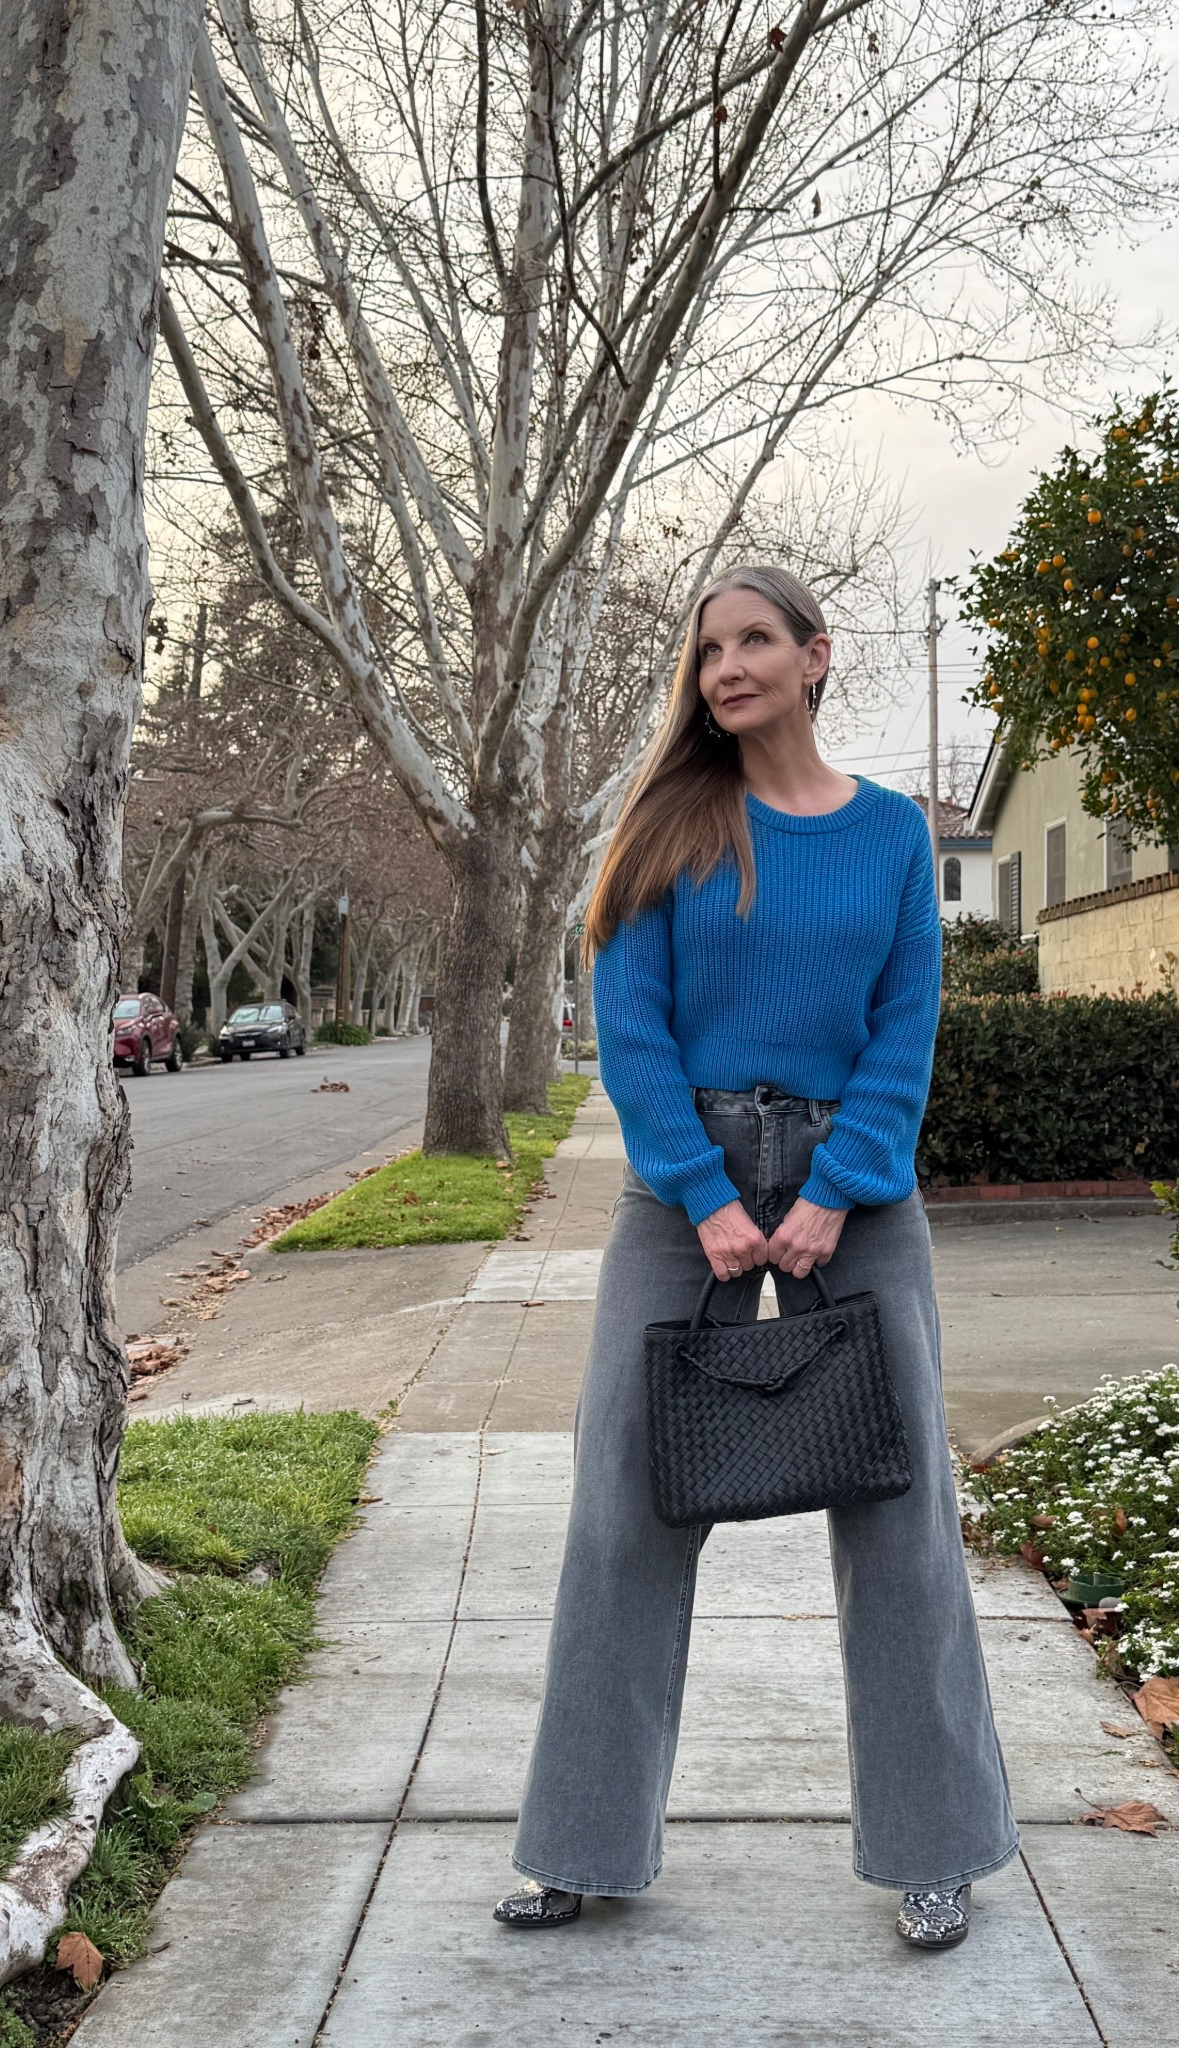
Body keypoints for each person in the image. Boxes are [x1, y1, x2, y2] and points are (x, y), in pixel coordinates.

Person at [494, 566, 1017, 1946]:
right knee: (624, 1508)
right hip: (687, 1200)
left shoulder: (894, 835)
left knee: (900, 1518)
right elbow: (632, 1020)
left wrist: (839, 1189)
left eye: (752, 641)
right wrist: (701, 1193)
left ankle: (934, 1848)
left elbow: (907, 1022)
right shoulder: (671, 818)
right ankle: (581, 1848)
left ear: (813, 656)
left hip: (859, 1190)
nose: (725, 666)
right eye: (707, 648)